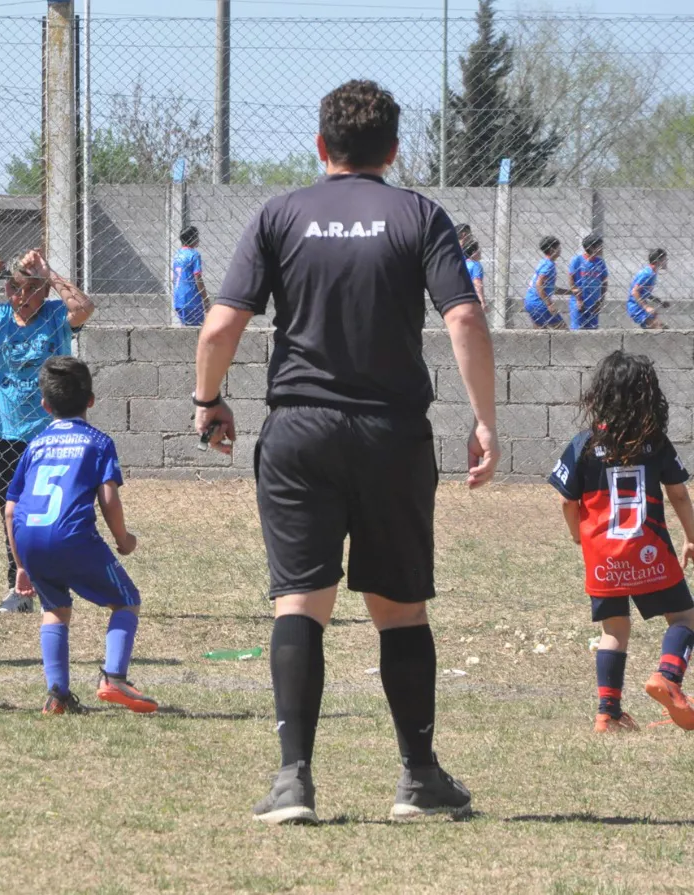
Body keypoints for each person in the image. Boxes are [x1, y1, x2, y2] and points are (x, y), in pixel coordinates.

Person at [193, 80, 498, 825]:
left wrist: (207, 401)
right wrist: (485, 419)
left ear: (321, 147)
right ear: (394, 151)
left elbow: (219, 327)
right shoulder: (420, 215)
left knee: (300, 600)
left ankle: (293, 779)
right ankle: (418, 779)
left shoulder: (279, 214)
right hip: (393, 433)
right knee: (399, 608)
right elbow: (464, 319)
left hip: (300, 430)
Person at [0, 248, 95, 615]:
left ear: (43, 291)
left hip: (52, 433)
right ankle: (19, 584)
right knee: (13, 512)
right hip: (6, 434)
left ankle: (54, 582)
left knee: (58, 510)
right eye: (13, 288)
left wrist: (50, 273)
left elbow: (83, 309)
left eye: (29, 289)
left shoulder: (57, 316)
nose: (20, 297)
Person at [549, 351, 694, 733]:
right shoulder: (655, 442)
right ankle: (668, 676)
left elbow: (566, 499)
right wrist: (692, 537)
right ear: (648, 397)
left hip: (603, 556)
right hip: (648, 550)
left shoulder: (583, 444)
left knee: (614, 631)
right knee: (684, 618)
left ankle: (608, 714)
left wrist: (575, 535)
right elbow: (679, 494)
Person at [6, 356, 157, 715]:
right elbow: (109, 498)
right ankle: (115, 679)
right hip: (72, 538)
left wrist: (20, 565)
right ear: (91, 400)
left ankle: (57, 696)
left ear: (44, 404)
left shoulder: (35, 445)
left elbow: (11, 509)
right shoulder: (98, 442)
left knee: (55, 611)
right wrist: (123, 540)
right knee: (127, 600)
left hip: (30, 539)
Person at [524, 236, 571, 329]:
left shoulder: (544, 262)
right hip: (539, 303)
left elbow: (550, 288)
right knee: (563, 330)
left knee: (540, 333)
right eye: (558, 247)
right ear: (552, 249)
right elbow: (539, 284)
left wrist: (571, 292)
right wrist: (549, 304)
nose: (560, 250)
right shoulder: (549, 266)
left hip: (530, 301)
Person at [567, 235, 609, 331]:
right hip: (579, 302)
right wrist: (579, 299)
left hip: (593, 303)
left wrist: (600, 301)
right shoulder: (577, 260)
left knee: (592, 330)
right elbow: (571, 279)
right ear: (591, 247)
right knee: (577, 329)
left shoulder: (600, 262)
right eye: (599, 246)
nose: (602, 248)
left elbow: (604, 282)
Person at [171, 225, 209, 327]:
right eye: (197, 236)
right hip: (192, 300)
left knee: (186, 329)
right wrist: (205, 299)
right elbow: (198, 278)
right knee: (197, 331)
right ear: (193, 238)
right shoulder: (194, 255)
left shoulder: (177, 254)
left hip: (179, 299)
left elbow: (172, 278)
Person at [628, 248, 669, 330]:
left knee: (661, 328)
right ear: (658, 261)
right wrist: (646, 307)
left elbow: (645, 292)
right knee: (659, 328)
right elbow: (635, 291)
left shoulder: (652, 272)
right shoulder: (648, 273)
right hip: (636, 307)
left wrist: (659, 302)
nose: (666, 261)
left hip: (640, 306)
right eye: (664, 259)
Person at [462, 239, 486, 312]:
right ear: (473, 252)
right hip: (471, 298)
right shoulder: (476, 265)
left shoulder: (462, 263)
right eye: (478, 250)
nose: (480, 252)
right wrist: (482, 301)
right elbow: (477, 283)